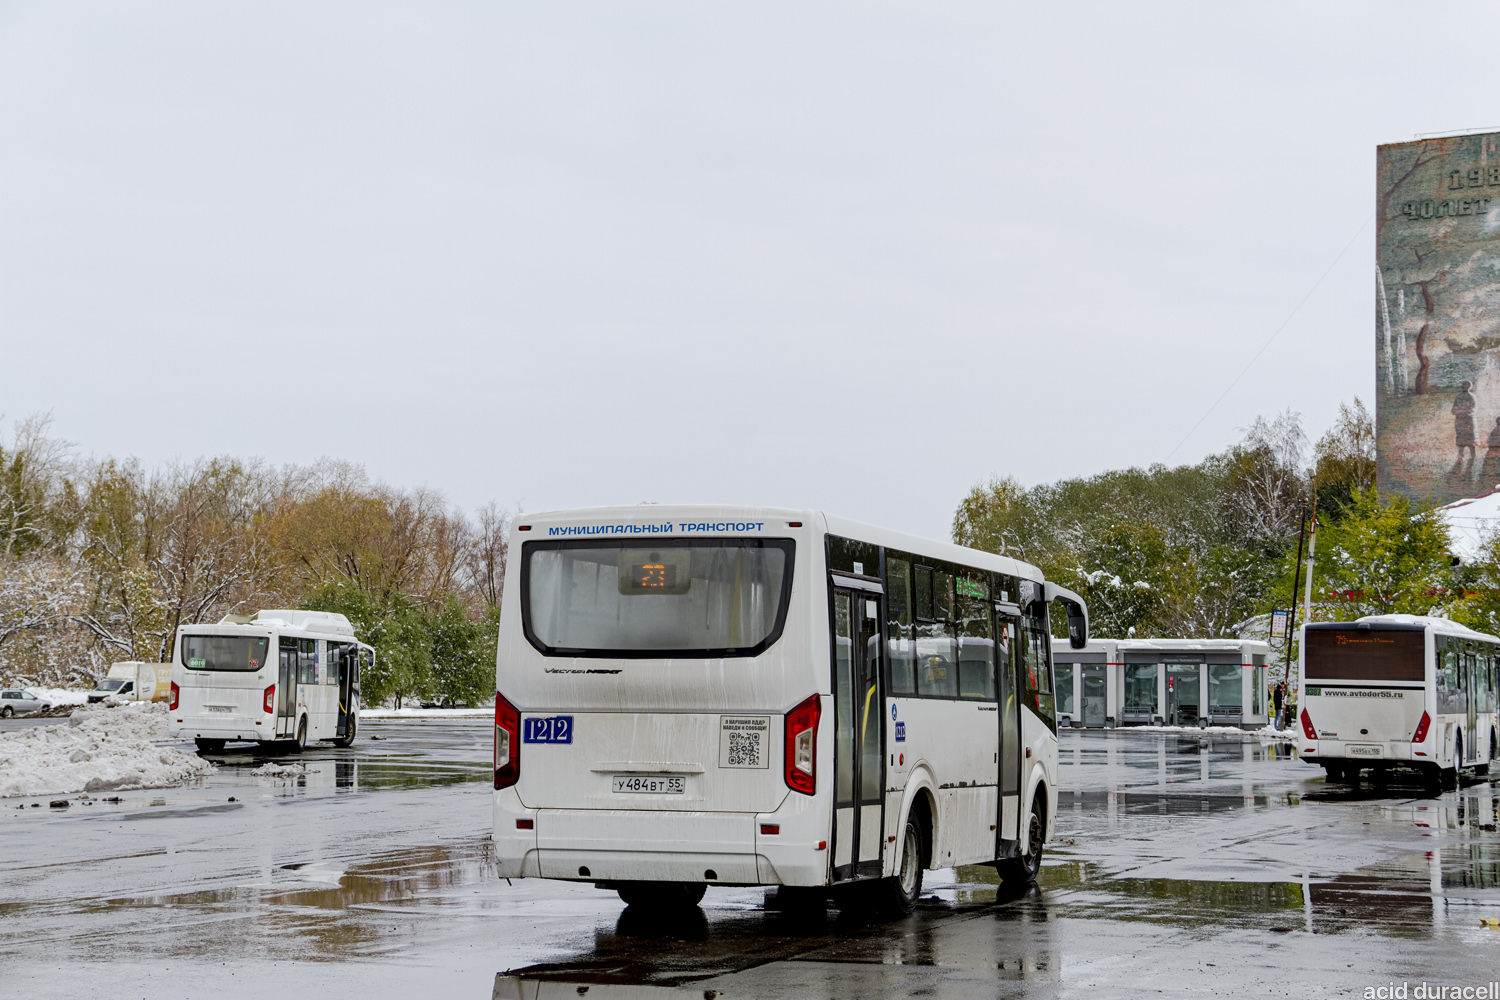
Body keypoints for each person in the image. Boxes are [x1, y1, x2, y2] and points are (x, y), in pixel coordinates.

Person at [1454, 381, 1478, 465]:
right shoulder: (1473, 397)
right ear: (1470, 387)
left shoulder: (1458, 397)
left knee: (1461, 437)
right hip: (1469, 419)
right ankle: (1472, 457)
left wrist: (1460, 411)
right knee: (1470, 438)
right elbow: (1474, 408)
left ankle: (1460, 457)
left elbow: (1453, 410)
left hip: (1460, 419)